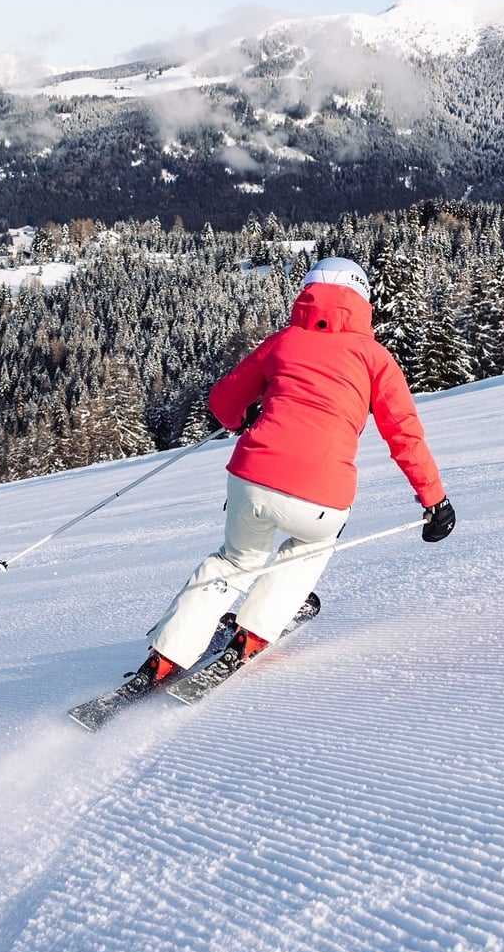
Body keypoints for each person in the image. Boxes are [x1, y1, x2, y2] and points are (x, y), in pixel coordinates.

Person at [134, 256, 455, 685]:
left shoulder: (282, 342)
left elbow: (223, 401)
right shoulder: (375, 358)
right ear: (362, 302)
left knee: (235, 560)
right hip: (321, 495)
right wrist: (435, 501)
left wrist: (242, 419)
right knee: (309, 548)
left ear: (307, 295)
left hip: (251, 478)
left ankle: (165, 657)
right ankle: (252, 635)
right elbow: (405, 436)